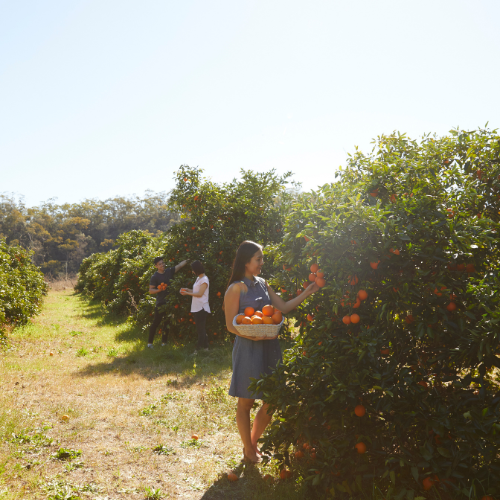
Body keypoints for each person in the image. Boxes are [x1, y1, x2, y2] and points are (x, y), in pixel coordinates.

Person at [224, 240, 318, 463]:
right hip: (248, 347)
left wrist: (308, 292)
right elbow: (230, 325)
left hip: (269, 346)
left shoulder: (263, 284)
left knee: (272, 399)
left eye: (261, 258)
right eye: (258, 259)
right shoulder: (235, 288)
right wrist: (253, 336)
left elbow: (282, 308)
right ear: (246, 262)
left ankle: (253, 442)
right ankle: (247, 449)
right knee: (246, 402)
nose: (262, 263)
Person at [148, 257, 188, 348]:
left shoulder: (169, 271)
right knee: (156, 322)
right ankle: (150, 343)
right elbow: (150, 290)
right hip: (160, 303)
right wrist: (159, 290)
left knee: (167, 322)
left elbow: (180, 266)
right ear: (156, 266)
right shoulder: (155, 276)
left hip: (169, 302)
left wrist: (188, 259)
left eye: (163, 263)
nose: (162, 265)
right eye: (160, 264)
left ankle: (164, 343)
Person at [179, 260, 210, 352]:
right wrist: (187, 290)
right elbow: (196, 291)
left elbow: (200, 294)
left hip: (202, 307)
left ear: (196, 270)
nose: (192, 272)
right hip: (197, 307)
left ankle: (198, 350)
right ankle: (206, 348)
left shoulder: (204, 280)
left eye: (193, 270)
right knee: (201, 329)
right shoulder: (199, 279)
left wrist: (187, 294)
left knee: (200, 331)